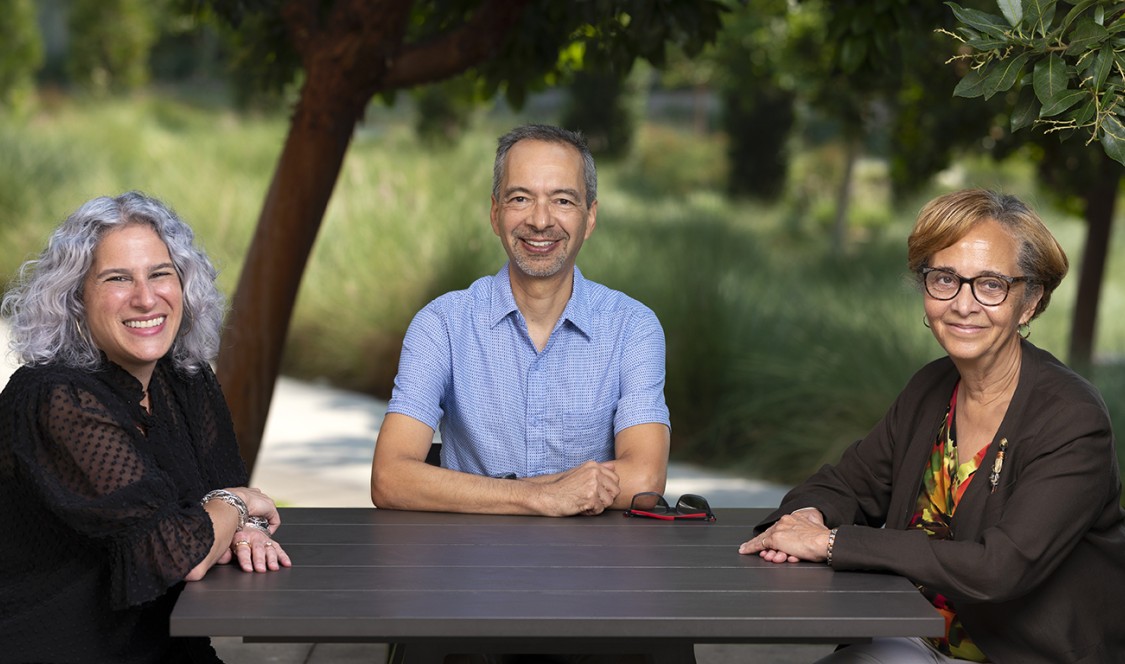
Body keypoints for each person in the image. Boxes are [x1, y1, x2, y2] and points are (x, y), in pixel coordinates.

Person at [739, 189, 1125, 663]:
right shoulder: (931, 388)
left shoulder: (1071, 417)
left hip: (1023, 653)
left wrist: (834, 543)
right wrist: (809, 518)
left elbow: (998, 569)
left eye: (990, 284)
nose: (963, 304)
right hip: (912, 640)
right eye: (945, 279)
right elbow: (843, 484)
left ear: (1029, 302)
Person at [0, 192, 292, 663]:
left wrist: (244, 526)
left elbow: (226, 495)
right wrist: (234, 508)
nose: (145, 297)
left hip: (170, 647)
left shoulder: (185, 378)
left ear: (184, 284)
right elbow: (176, 550)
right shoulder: (55, 398)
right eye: (118, 279)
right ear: (76, 299)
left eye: (160, 274)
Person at [370, 123, 671, 517]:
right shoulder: (441, 324)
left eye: (563, 200)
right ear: (496, 214)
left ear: (590, 217)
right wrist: (541, 497)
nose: (541, 221)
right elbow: (389, 478)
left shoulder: (633, 328)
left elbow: (644, 482)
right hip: (468, 567)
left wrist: (469, 491)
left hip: (593, 568)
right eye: (520, 198)